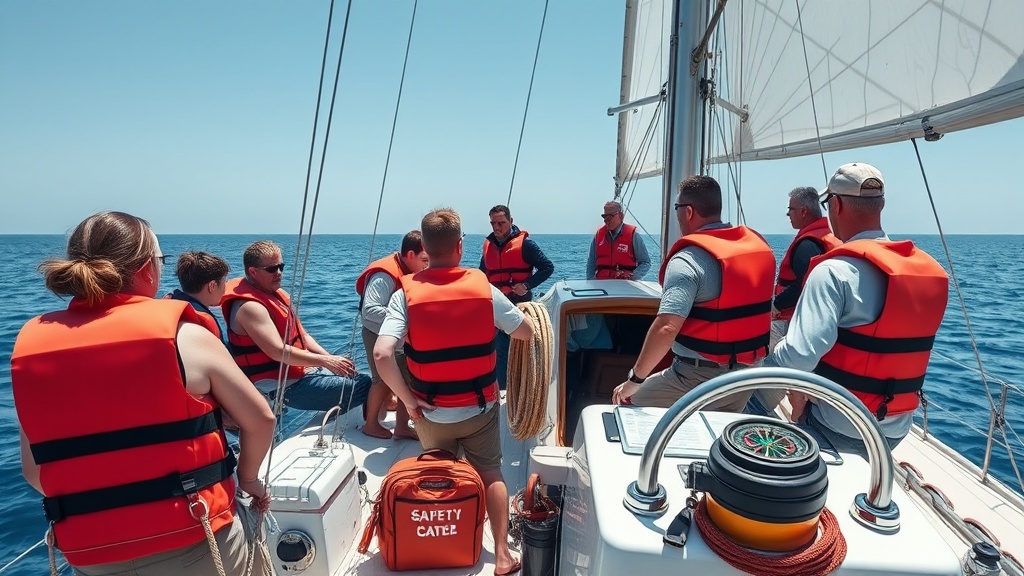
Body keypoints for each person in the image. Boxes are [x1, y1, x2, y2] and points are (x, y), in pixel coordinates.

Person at [11, 211, 276, 575]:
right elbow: (261, 419)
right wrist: (248, 481)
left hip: (93, 556)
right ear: (147, 269)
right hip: (198, 539)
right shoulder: (185, 336)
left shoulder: (32, 350)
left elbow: (34, 472)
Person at [375, 208, 535, 576]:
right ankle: (503, 557)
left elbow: (382, 354)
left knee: (438, 474)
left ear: (425, 248)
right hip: (479, 408)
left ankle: (440, 547)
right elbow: (525, 332)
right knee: (491, 473)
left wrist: (408, 400)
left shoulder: (405, 295)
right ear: (460, 246)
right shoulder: (483, 287)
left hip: (430, 411)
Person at [765, 163, 949, 449]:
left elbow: (799, 356)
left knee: (750, 398)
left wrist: (762, 366)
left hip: (838, 424)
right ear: (881, 205)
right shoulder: (930, 272)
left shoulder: (834, 272)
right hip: (895, 430)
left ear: (836, 205)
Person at [611, 175, 776, 411]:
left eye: (677, 208)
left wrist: (635, 380)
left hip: (696, 378)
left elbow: (667, 327)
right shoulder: (760, 249)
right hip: (747, 377)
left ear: (688, 211)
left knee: (626, 403)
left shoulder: (687, 260)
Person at [221, 240, 371, 415]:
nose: (279, 273)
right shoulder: (250, 308)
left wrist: (330, 359)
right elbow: (277, 352)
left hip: (300, 372)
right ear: (253, 272)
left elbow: (303, 336)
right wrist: (324, 361)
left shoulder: (277, 295)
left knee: (358, 375)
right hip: (279, 386)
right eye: (272, 269)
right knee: (364, 385)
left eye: (281, 267)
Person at [355, 230, 429, 440]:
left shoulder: (408, 270)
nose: (428, 265)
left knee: (407, 379)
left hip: (398, 336)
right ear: (410, 255)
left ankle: (402, 427)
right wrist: (403, 319)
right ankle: (370, 424)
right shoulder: (384, 276)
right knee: (381, 380)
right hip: (376, 333)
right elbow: (369, 310)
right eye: (425, 260)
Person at [479, 204, 553, 389]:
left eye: (501, 223)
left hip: (519, 306)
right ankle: (502, 391)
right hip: (497, 308)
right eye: (493, 223)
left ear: (511, 221)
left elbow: (547, 267)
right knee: (498, 353)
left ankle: (521, 389)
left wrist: (526, 285)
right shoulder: (488, 247)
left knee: (519, 352)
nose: (497, 227)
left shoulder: (526, 245)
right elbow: (481, 276)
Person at [771, 187, 840, 345]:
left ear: (803, 211)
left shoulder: (806, 245)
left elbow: (805, 284)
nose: (788, 214)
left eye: (791, 209)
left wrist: (777, 304)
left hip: (795, 320)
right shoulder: (831, 237)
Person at [167, 250, 231, 343]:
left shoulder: (171, 305)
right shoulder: (202, 323)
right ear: (212, 286)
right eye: (224, 283)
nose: (225, 289)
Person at [586, 200, 652, 280]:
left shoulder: (633, 236)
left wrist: (633, 276)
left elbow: (645, 262)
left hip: (624, 283)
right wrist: (590, 282)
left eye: (609, 217)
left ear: (621, 216)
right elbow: (591, 263)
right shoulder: (598, 235)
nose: (606, 220)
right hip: (601, 283)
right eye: (604, 217)